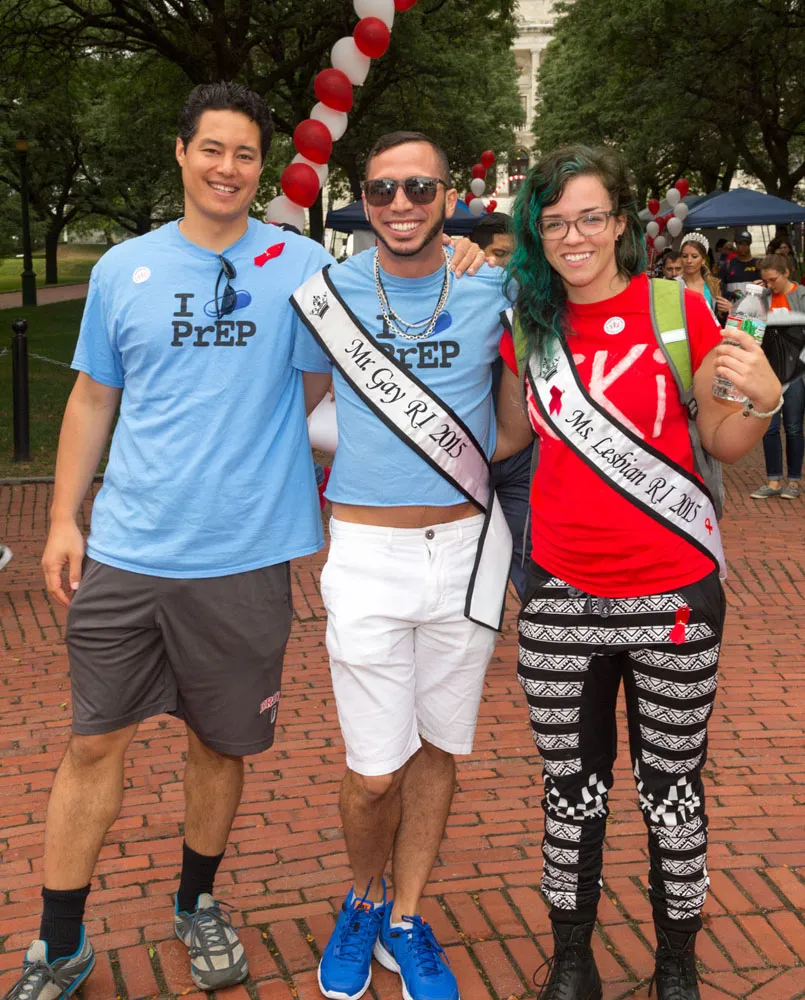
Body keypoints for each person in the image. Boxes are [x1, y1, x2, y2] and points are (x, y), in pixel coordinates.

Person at [3, 82, 338, 1000]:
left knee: (219, 747)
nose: (228, 168)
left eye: (245, 154)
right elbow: (92, 398)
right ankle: (59, 943)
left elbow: (324, 377)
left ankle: (196, 903)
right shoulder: (125, 268)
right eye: (212, 149)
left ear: (262, 167)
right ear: (181, 152)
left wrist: (459, 251)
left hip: (246, 556)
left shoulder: (303, 265)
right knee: (92, 744)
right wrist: (63, 518)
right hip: (129, 551)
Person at [493, 144, 780, 1000]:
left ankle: (676, 964)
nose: (572, 236)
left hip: (672, 593)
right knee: (569, 791)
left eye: (589, 217)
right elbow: (506, 439)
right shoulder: (526, 326)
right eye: (553, 221)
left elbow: (724, 439)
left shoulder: (675, 309)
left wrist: (763, 398)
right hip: (559, 593)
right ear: (535, 231)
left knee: (672, 790)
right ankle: (571, 958)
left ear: (620, 222)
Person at [291, 132, 512, 1000]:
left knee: (438, 750)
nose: (401, 204)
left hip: (463, 551)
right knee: (373, 771)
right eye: (383, 190)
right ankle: (361, 899)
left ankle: (407, 916)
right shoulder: (328, 295)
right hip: (367, 555)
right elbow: (299, 409)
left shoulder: (489, 287)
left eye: (419, 187)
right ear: (362, 199)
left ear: (448, 195)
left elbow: (514, 423)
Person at [470, 211, 532, 598]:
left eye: (517, 256)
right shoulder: (451, 303)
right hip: (464, 457)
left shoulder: (531, 306)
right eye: (501, 254)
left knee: (530, 558)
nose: (510, 266)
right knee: (464, 567)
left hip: (521, 457)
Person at [749, 253, 805, 500]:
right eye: (766, 281)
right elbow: (749, 326)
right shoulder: (762, 297)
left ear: (786, 273)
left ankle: (793, 481)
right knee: (769, 427)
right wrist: (752, 297)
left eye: (773, 280)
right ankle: (773, 481)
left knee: (793, 426)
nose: (770, 285)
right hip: (768, 372)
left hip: (794, 373)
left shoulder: (801, 296)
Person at [678, 233, 730, 316]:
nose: (689, 261)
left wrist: (729, 309)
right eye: (684, 256)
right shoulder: (673, 284)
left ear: (703, 260)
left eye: (694, 256)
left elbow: (721, 318)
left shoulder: (715, 285)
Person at [719, 229, 761, 301]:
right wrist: (733, 294)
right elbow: (719, 290)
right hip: (733, 306)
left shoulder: (758, 265)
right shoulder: (728, 265)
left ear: (750, 244)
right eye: (740, 243)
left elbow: (768, 288)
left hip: (755, 306)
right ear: (735, 244)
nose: (743, 246)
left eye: (746, 244)